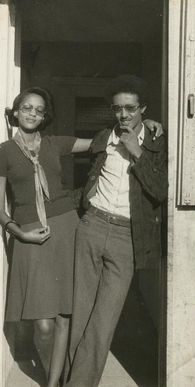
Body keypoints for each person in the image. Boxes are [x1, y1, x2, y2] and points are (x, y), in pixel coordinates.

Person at [0, 86, 162, 387]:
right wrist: (19, 232)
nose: (32, 113)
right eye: (26, 108)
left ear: (45, 115)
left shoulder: (54, 143)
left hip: (71, 229)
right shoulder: (5, 152)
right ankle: (59, 377)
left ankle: (62, 385)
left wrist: (147, 128)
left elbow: (105, 144)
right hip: (45, 232)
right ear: (15, 111)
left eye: (38, 109)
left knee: (73, 317)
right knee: (50, 321)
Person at [65, 75, 168, 387]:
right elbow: (65, 153)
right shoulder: (102, 138)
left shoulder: (155, 143)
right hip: (92, 226)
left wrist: (137, 150)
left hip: (127, 237)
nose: (124, 115)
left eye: (131, 108)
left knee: (104, 319)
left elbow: (160, 191)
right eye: (118, 109)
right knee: (80, 312)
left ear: (143, 109)